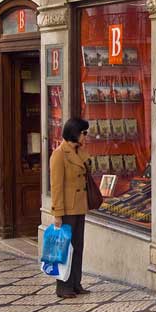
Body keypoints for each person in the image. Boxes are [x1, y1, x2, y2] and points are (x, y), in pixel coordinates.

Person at [50, 117, 91, 299]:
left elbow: (86, 165)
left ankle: (76, 283)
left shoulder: (77, 151)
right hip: (67, 210)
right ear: (74, 132)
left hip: (79, 207)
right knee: (66, 249)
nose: (86, 136)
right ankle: (63, 287)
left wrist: (80, 149)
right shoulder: (59, 154)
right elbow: (56, 186)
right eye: (84, 133)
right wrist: (57, 214)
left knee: (78, 247)